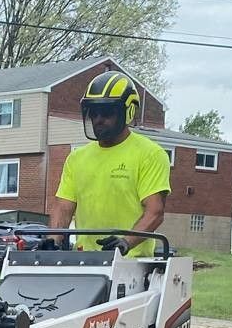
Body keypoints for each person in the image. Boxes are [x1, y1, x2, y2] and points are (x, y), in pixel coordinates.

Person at [49, 70, 169, 255]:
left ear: (128, 112)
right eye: (94, 113)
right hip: (85, 261)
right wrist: (52, 241)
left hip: (132, 265)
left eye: (106, 113)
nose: (98, 120)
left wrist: (125, 243)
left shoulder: (150, 154)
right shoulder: (76, 158)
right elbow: (63, 207)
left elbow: (155, 212)